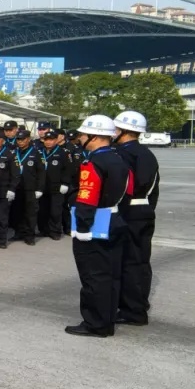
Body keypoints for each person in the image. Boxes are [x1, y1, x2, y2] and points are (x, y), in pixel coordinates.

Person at [67, 115, 130, 338]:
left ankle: (96, 323)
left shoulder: (93, 162)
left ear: (94, 137)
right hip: (114, 218)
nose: (80, 138)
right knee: (110, 275)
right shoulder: (118, 158)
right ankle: (107, 319)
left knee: (93, 276)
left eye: (83, 134)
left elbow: (87, 196)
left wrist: (83, 227)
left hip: (95, 223)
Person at [112, 110, 159, 327]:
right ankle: (136, 305)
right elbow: (152, 190)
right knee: (138, 261)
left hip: (129, 213)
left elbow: (123, 186)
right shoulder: (146, 154)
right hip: (142, 212)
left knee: (130, 263)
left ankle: (133, 310)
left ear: (122, 131)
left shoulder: (123, 155)